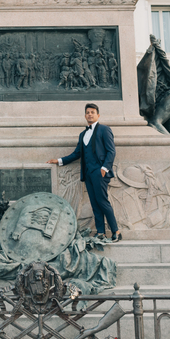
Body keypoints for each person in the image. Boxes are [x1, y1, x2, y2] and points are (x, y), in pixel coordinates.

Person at [48, 103, 121, 242]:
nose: (90, 114)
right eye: (88, 112)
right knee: (95, 203)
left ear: (98, 115)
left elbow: (111, 151)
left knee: (102, 202)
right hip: (88, 174)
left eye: (92, 112)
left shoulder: (104, 130)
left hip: (100, 172)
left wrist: (104, 168)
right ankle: (100, 232)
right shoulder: (82, 134)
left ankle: (116, 231)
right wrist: (59, 160)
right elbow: (77, 154)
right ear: (85, 115)